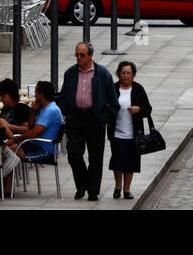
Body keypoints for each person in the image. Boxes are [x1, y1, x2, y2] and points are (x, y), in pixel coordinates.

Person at [59, 41, 119, 200]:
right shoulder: (70, 73)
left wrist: (104, 115)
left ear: (90, 56)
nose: (78, 57)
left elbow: (113, 101)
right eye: (76, 54)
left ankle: (93, 190)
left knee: (95, 157)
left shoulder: (103, 73)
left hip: (95, 119)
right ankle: (82, 184)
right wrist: (67, 110)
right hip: (76, 118)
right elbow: (64, 95)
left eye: (82, 55)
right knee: (74, 153)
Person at [108, 60, 153, 200]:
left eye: (129, 73)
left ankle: (127, 189)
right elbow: (106, 106)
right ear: (119, 74)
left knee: (131, 162)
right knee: (117, 160)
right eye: (123, 73)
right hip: (116, 132)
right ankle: (118, 187)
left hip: (134, 133)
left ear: (133, 75)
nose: (126, 76)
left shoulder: (138, 89)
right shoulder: (113, 88)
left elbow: (148, 109)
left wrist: (138, 109)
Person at [9, 80, 64, 163]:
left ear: (41, 95)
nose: (34, 95)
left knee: (10, 150)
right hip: (35, 145)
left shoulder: (50, 110)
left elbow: (34, 133)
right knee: (8, 149)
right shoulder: (44, 108)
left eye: (36, 92)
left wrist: (16, 138)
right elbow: (31, 127)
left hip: (45, 151)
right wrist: (32, 111)